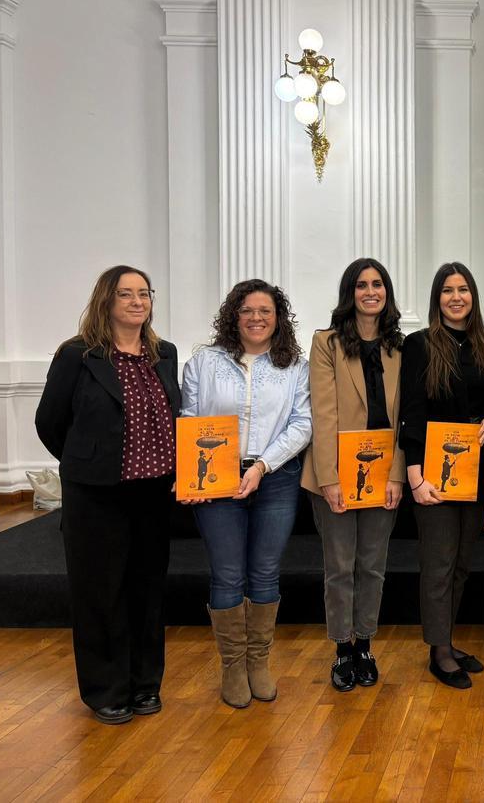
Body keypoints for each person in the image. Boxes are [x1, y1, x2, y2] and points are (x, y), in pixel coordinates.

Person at [35, 265, 179, 725]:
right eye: (126, 294)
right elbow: (49, 422)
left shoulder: (164, 353)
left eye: (144, 294)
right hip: (96, 497)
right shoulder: (78, 356)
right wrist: (87, 461)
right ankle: (105, 690)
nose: (138, 302)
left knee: (147, 591)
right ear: (106, 301)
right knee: (100, 594)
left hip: (153, 494)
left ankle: (143, 686)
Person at [180, 279, 311, 708]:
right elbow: (190, 418)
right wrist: (193, 476)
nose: (256, 318)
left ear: (279, 319)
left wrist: (261, 466)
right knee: (228, 574)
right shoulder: (204, 362)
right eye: (247, 310)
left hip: (275, 476)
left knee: (266, 573)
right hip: (216, 478)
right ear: (233, 316)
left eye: (266, 311)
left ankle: (259, 661)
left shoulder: (295, 366)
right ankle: (233, 665)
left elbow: (302, 424)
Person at [302, 258, 406, 693]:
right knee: (340, 566)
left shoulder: (401, 345)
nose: (370, 292)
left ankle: (365, 643)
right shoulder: (326, 343)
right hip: (337, 471)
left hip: (385, 471)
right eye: (361, 285)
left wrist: (398, 474)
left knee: (373, 565)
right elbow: (323, 414)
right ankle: (342, 647)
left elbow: (405, 418)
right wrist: (330, 478)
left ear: (387, 292)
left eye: (377, 284)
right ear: (350, 293)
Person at [399, 262, 484, 689]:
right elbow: (411, 412)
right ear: (436, 299)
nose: (455, 297)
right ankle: (439, 652)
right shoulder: (419, 345)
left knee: (460, 564)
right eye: (446, 290)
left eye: (462, 289)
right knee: (438, 564)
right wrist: (415, 478)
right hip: (434, 475)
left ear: (473, 296)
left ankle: (447, 640)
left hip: (478, 474)